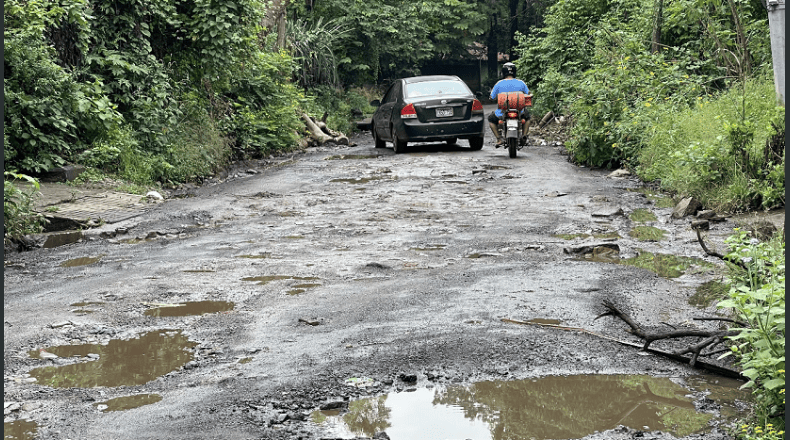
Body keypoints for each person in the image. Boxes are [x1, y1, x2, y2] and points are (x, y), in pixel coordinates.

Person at [488, 62, 531, 147]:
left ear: (503, 72)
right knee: (528, 118)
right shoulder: (521, 83)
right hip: (519, 111)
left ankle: (499, 138)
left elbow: (492, 97)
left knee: (491, 120)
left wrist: (493, 98)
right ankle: (524, 136)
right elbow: (528, 94)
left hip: (502, 112)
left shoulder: (498, 83)